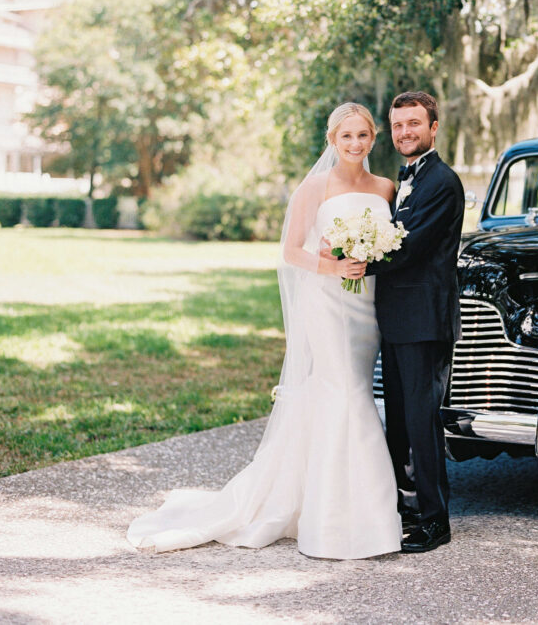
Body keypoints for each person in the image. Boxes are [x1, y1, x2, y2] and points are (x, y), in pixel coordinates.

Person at [127, 102, 402, 560]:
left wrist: (368, 256)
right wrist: (333, 264)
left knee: (350, 388)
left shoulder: (385, 187)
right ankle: (340, 520)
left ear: (373, 139)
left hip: (365, 305)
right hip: (327, 302)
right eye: (346, 135)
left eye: (364, 135)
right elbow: (291, 251)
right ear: (332, 140)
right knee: (347, 392)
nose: (356, 144)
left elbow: (388, 246)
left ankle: (339, 503)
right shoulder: (314, 187)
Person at [365, 91, 465, 553]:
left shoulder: (442, 182)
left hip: (424, 320)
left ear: (433, 127)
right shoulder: (407, 180)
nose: (404, 132)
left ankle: (435, 521)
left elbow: (409, 246)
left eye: (414, 124)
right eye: (398, 125)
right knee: (401, 422)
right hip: (396, 319)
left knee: (423, 423)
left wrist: (357, 261)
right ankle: (403, 508)